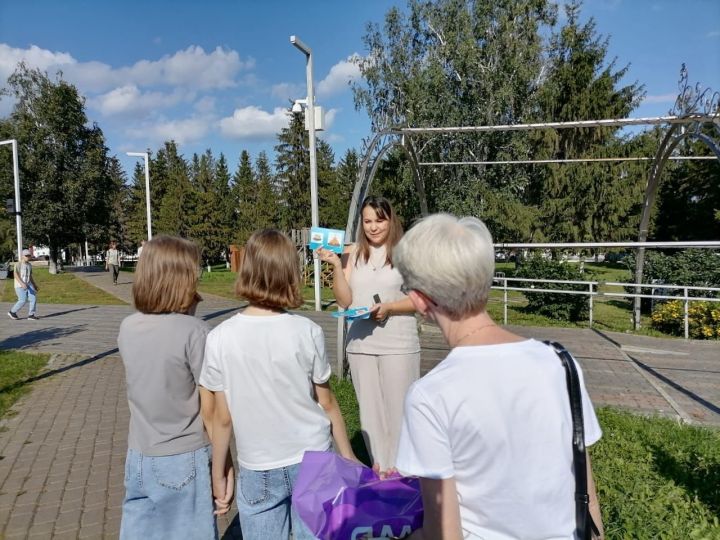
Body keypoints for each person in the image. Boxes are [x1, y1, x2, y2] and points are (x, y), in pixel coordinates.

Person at [392, 214, 604, 540]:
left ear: (420, 300)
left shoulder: (430, 395)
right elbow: (585, 486)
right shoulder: (561, 362)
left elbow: (444, 533)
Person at [200, 229, 356, 540]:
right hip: (313, 459)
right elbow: (326, 402)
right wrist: (348, 456)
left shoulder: (220, 337)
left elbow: (222, 418)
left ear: (248, 269)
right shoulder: (307, 331)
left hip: (258, 465)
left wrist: (219, 474)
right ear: (291, 272)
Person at [118, 235, 229, 540]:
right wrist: (224, 464)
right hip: (183, 457)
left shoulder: (128, 327)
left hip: (139, 456)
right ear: (182, 282)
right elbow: (214, 410)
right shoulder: (196, 332)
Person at [316, 195, 420, 471]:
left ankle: (402, 471)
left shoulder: (406, 251)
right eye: (368, 221)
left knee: (399, 412)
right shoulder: (351, 251)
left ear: (391, 220)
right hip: (361, 344)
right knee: (370, 414)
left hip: (399, 343)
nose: (373, 227)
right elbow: (344, 301)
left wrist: (390, 307)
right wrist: (337, 267)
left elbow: (421, 300)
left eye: (379, 220)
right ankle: (378, 469)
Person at [8, 248, 39, 321]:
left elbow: (30, 276)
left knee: (33, 298)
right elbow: (15, 275)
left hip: (29, 284)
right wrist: (22, 284)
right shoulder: (18, 264)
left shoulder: (29, 265)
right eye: (26, 256)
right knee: (22, 300)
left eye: (29, 255)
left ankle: (31, 315)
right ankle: (12, 312)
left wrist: (34, 285)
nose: (28, 257)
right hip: (19, 285)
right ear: (22, 256)